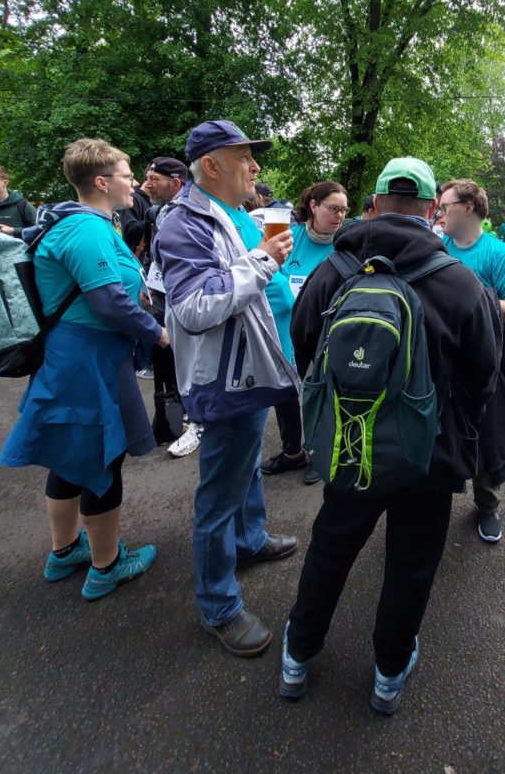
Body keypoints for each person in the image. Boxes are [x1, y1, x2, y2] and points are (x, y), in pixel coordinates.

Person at [277, 157, 499, 712]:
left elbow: (306, 348)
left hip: (352, 442)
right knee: (412, 563)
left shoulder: (335, 270)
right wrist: (454, 433)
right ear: (431, 211)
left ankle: (297, 657)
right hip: (429, 454)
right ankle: (388, 673)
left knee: (331, 547)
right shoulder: (460, 280)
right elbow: (483, 374)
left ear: (373, 204)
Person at [154, 120, 300, 658]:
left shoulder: (229, 216)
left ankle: (251, 539)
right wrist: (265, 261)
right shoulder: (182, 222)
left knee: (245, 462)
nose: (256, 167)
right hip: (220, 380)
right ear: (211, 165)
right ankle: (218, 605)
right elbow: (194, 308)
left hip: (245, 372)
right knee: (218, 494)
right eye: (245, 157)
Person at [0, 139, 165, 599]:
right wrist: (158, 333)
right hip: (88, 359)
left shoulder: (77, 222)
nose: (135, 182)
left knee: (70, 455)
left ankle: (65, 549)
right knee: (101, 458)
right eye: (128, 175)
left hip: (76, 355)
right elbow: (109, 301)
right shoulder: (86, 230)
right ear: (101, 181)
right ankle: (107, 565)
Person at [438, 178, 505, 545]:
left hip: (485, 359)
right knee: (442, 431)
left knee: (485, 433)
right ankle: (436, 501)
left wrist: (469, 303)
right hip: (441, 359)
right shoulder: (437, 248)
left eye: (446, 205)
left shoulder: (500, 255)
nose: (440, 211)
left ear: (469, 207)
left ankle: (487, 505)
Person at [261, 180, 349, 485]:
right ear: (314, 206)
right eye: (333, 208)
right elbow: (269, 273)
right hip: (289, 330)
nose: (339, 216)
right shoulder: (288, 237)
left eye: (344, 210)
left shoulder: (347, 243)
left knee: (325, 392)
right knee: (284, 390)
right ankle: (293, 451)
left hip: (329, 334)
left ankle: (319, 452)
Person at [137, 157, 196, 453]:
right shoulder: (153, 212)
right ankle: (167, 417)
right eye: (146, 177)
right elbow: (151, 255)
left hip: (188, 303)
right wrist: (145, 283)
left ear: (175, 182)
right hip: (159, 300)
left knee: (188, 361)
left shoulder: (194, 211)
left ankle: (193, 421)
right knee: (163, 358)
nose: (146, 184)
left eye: (153, 178)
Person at [0, 164, 37, 235]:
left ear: (5, 183)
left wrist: (14, 231)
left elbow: (39, 229)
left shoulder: (22, 205)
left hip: (18, 246)